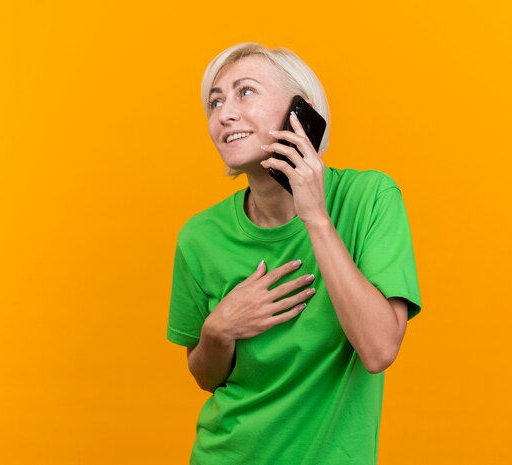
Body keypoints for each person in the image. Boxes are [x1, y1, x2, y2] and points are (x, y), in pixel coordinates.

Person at [167, 42, 422, 465]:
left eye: (245, 91)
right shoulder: (199, 237)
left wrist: (316, 217)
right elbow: (205, 377)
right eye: (215, 101)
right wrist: (219, 329)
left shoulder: (370, 198)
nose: (224, 113)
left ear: (299, 111)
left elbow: (379, 351)